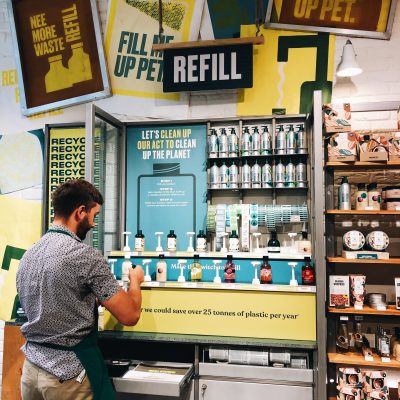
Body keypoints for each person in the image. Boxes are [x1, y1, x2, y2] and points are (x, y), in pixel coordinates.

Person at [16, 179, 144, 400]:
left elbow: (53, 301)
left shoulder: (29, 254)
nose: (94, 224)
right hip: (67, 374)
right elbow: (130, 315)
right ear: (81, 211)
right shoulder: (84, 255)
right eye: (94, 216)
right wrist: (135, 282)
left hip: (30, 372)